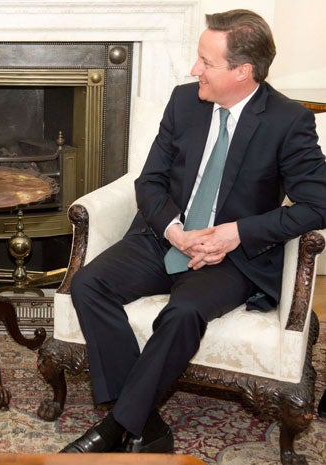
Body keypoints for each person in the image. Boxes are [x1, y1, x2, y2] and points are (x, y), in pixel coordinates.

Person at [60, 9, 326, 454]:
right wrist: (175, 232)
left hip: (233, 257)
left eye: (206, 61)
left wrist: (236, 233)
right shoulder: (185, 101)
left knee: (182, 313)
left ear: (243, 71)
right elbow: (150, 181)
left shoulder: (287, 121)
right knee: (88, 285)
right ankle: (145, 424)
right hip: (166, 234)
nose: (193, 69)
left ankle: (115, 428)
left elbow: (318, 204)